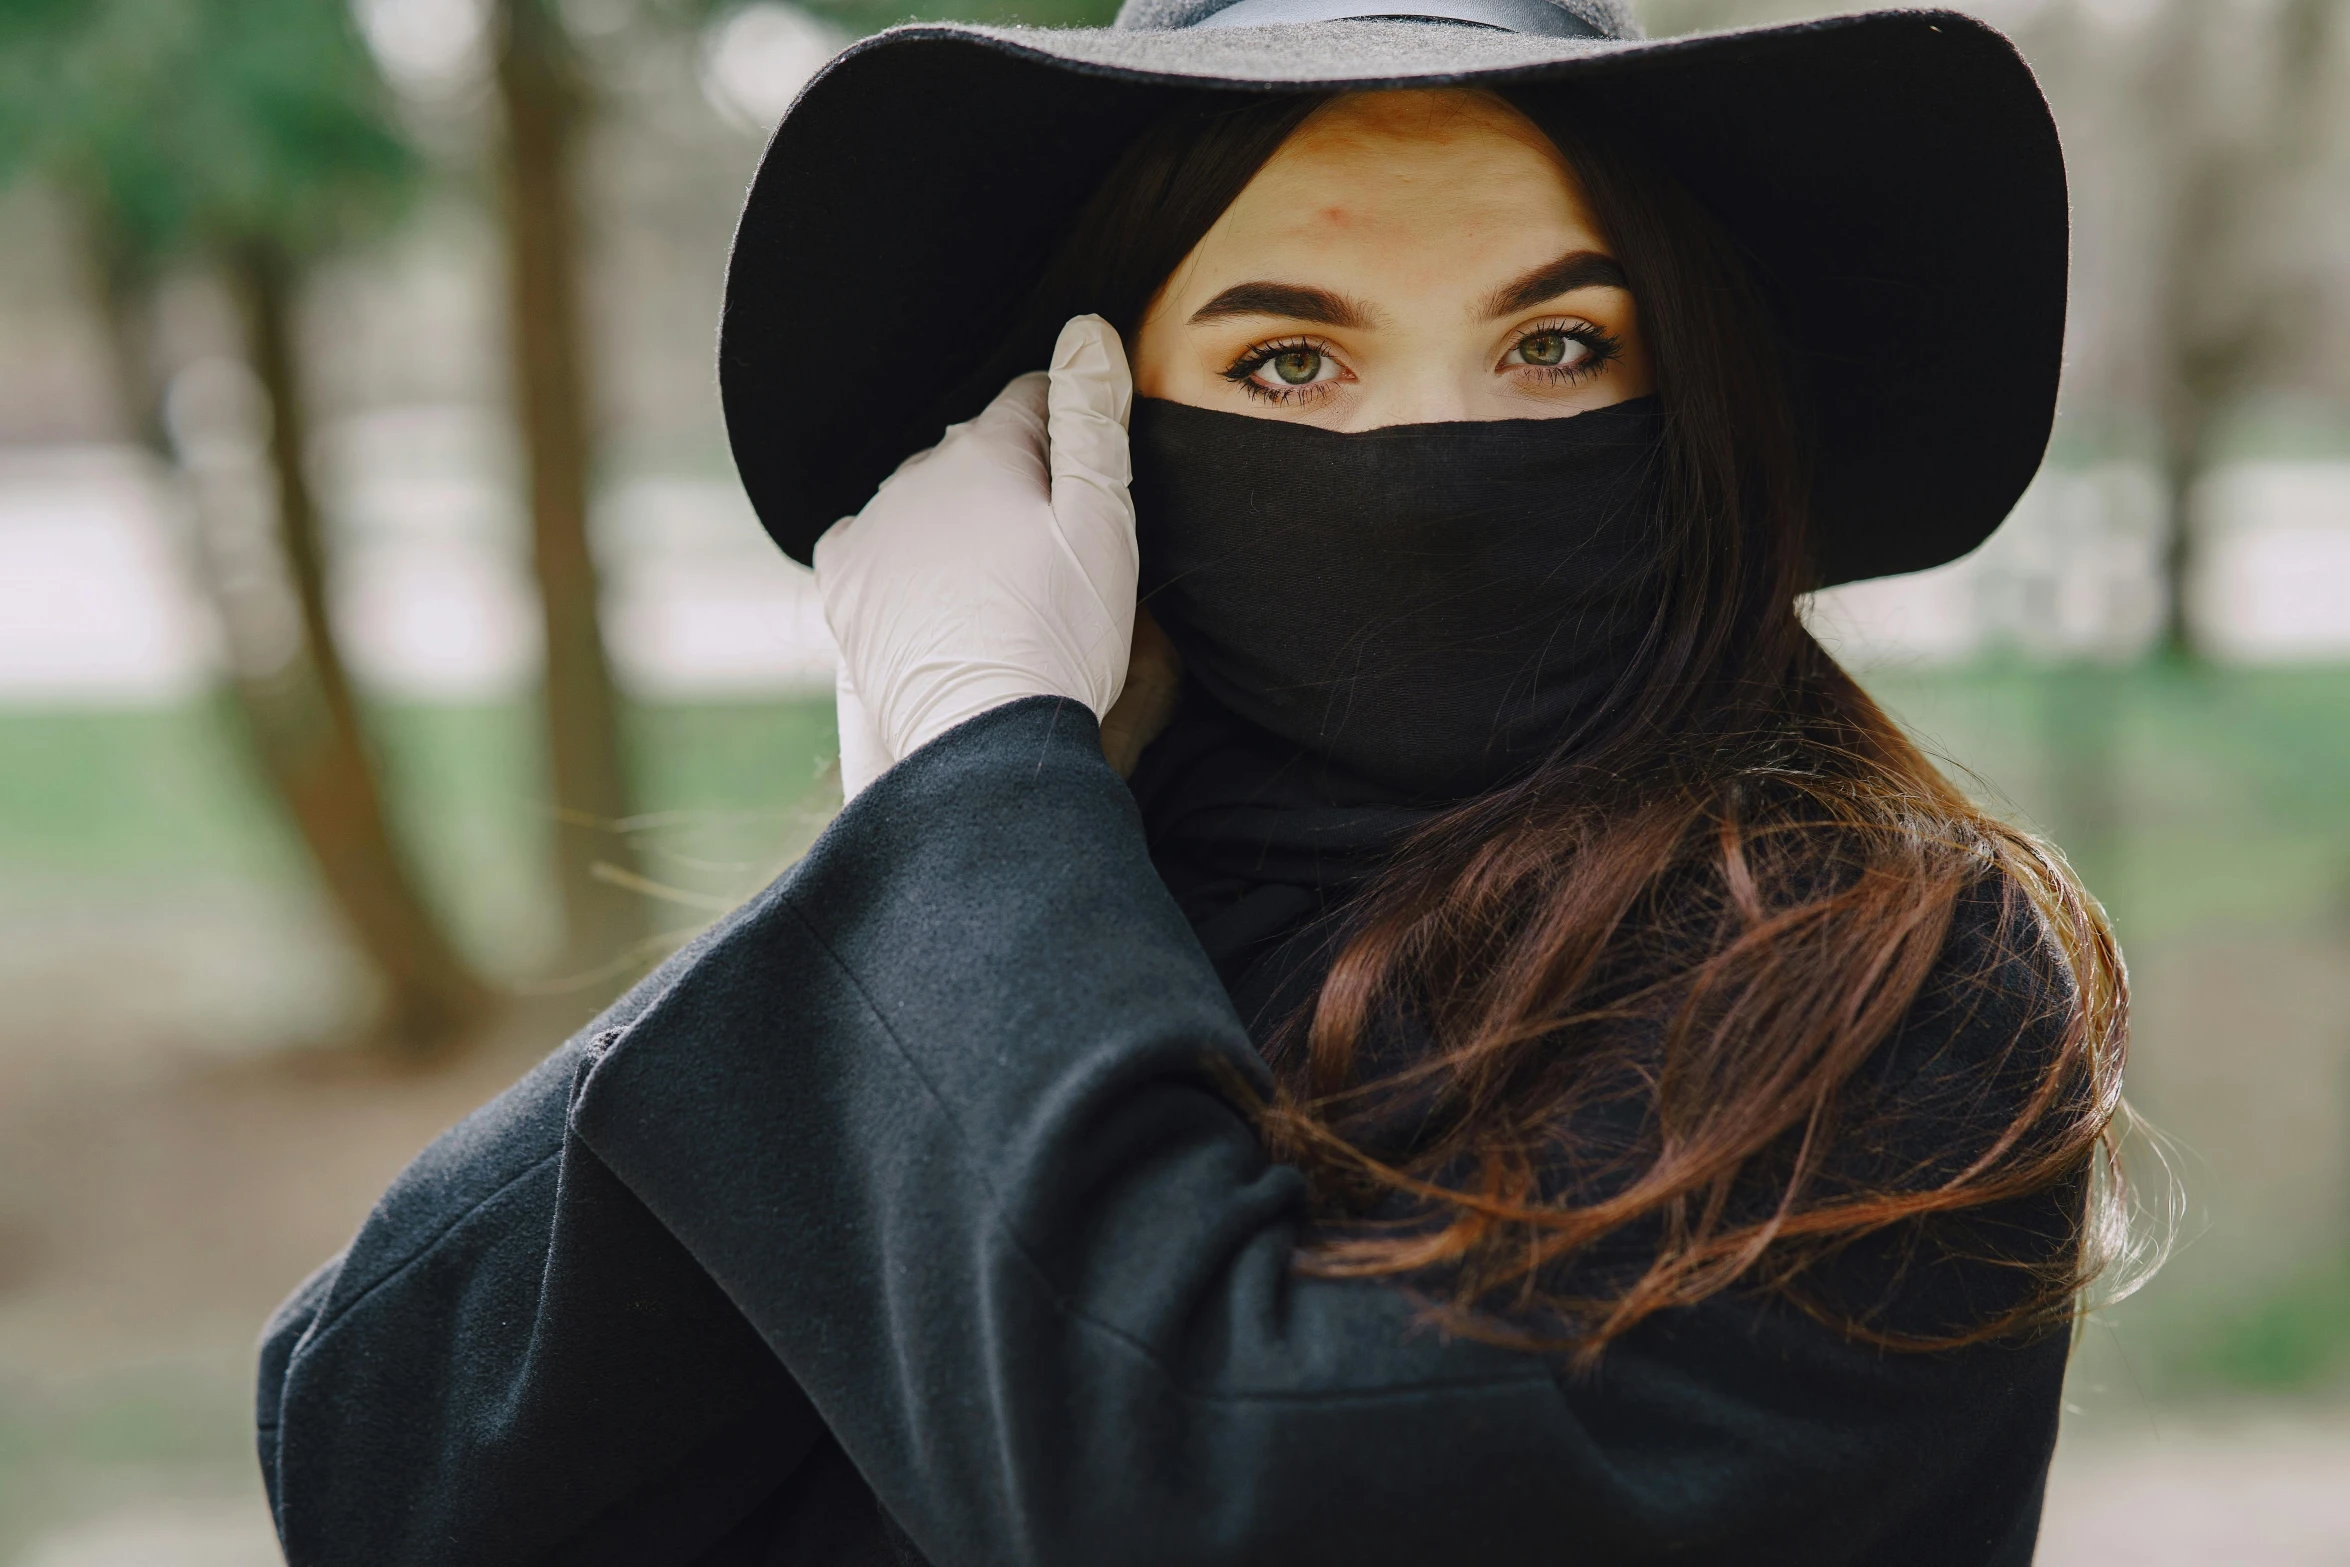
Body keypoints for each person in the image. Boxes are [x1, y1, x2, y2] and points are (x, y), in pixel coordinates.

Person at [255, 5, 2135, 1565]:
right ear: (1099, 450)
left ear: (1697, 402)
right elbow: (392, 1455)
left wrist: (980, 801)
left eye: (1556, 347)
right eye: (1291, 358)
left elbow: (1241, 1501)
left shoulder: (1879, 978)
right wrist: (946, 812)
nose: (1427, 458)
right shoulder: (1041, 913)